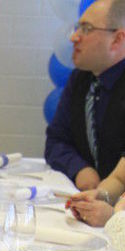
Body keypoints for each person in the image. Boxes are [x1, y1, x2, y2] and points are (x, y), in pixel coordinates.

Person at [45, 0, 125, 190]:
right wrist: (79, 169)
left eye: (86, 29)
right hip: (88, 199)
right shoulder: (80, 79)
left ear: (117, 39)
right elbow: (56, 140)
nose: (74, 37)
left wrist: (107, 192)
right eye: (77, 27)